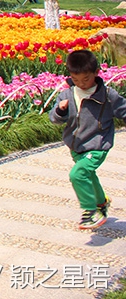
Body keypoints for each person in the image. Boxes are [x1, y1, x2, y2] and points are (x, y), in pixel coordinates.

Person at [49, 49, 126, 229]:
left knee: (78, 174)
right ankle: (101, 202)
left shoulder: (107, 95)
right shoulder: (67, 95)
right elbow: (54, 118)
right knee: (88, 174)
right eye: (76, 80)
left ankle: (91, 211)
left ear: (96, 73)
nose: (82, 84)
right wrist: (60, 110)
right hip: (76, 146)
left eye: (86, 79)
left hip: (98, 144)